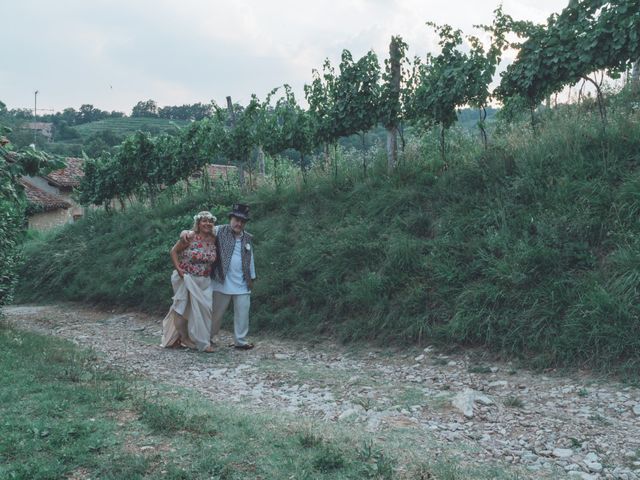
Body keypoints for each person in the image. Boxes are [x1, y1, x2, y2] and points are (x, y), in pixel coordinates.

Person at [182, 203, 256, 350]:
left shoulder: (247, 237)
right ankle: (207, 338)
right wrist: (184, 232)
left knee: (243, 313)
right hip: (222, 281)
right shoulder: (219, 230)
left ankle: (240, 341)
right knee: (215, 314)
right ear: (231, 219)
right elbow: (199, 230)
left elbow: (250, 257)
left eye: (242, 221)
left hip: (242, 282)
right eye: (236, 220)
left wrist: (252, 277)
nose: (239, 223)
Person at [161, 211, 218, 352]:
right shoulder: (190, 237)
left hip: (205, 280)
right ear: (198, 223)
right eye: (204, 221)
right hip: (187, 278)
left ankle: (201, 339)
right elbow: (173, 251)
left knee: (206, 310)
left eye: (210, 221)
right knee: (182, 308)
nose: (207, 223)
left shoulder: (213, 238)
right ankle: (186, 338)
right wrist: (179, 269)